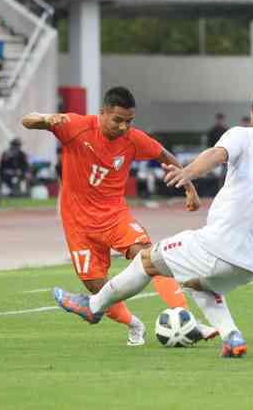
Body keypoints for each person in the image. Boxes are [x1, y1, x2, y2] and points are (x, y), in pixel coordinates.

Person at [53, 89, 253, 358]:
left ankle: (92, 307)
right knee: (197, 282)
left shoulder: (243, 134)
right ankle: (232, 337)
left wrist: (187, 173)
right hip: (250, 265)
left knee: (147, 260)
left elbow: (216, 154)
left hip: (217, 245)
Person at [22, 86, 216, 346]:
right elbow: (27, 120)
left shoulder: (133, 139)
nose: (125, 127)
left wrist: (190, 187)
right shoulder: (75, 126)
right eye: (118, 120)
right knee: (96, 288)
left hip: (114, 215)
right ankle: (133, 324)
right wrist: (45, 118)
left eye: (129, 121)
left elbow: (165, 156)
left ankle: (188, 319)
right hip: (78, 223)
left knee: (150, 256)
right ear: (102, 113)